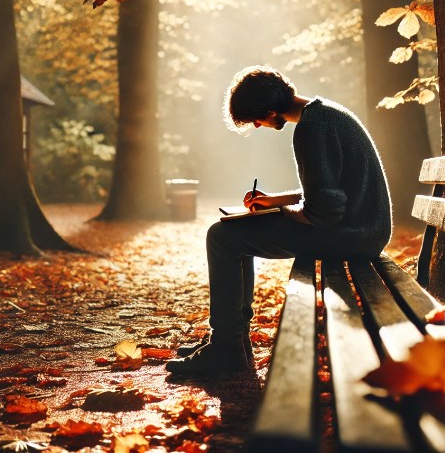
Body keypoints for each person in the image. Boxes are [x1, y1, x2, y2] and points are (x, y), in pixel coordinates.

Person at [165, 65, 392, 376]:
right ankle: (232, 340)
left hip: (350, 235)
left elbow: (323, 213)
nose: (258, 126)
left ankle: (227, 348)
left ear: (270, 111)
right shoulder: (324, 114)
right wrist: (274, 201)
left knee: (222, 237)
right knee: (232, 232)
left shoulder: (312, 129)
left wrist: (277, 213)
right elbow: (330, 190)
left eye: (256, 120)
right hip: (361, 230)